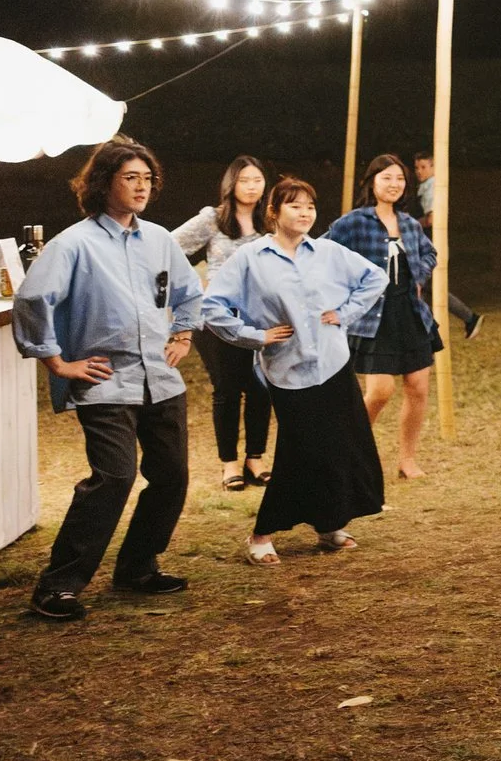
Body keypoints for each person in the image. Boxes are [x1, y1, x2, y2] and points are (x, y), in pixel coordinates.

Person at [12, 138, 202, 622]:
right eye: (130, 178)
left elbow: (189, 291)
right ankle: (57, 586)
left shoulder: (159, 240)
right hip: (105, 380)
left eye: (147, 179)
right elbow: (32, 299)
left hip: (160, 379)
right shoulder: (73, 244)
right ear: (103, 183)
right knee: (115, 476)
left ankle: (138, 567)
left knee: (172, 476)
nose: (142, 187)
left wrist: (183, 334)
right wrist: (57, 362)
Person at [203, 176, 387, 563]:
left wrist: (346, 313)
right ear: (273, 212)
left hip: (333, 364)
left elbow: (375, 277)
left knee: (339, 446)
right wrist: (254, 336)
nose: (305, 213)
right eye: (295, 205)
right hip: (287, 370)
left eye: (310, 206)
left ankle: (329, 524)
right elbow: (212, 305)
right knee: (298, 453)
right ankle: (261, 533)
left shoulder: (328, 252)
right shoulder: (251, 258)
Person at [325, 154, 440, 481]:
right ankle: (347, 450)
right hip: (373, 316)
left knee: (418, 387)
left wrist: (419, 276)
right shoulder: (353, 222)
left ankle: (407, 459)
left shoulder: (409, 223)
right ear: (372, 182)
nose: (394, 184)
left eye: (400, 178)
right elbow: (321, 254)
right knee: (380, 391)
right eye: (386, 177)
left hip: (411, 313)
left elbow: (430, 253)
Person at [171, 154, 275, 490]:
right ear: (231, 184)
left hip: (259, 318)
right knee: (227, 389)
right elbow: (169, 247)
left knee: (261, 387)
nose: (251, 187)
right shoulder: (213, 219)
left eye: (257, 180)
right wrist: (196, 282)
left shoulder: (270, 220)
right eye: (244, 180)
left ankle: (255, 458)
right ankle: (229, 463)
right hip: (217, 319)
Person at [410, 152, 481, 340]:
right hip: (427, 245)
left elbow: (432, 219)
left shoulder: (431, 187)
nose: (419, 171)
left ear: (434, 167)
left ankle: (427, 331)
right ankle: (468, 319)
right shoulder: (425, 187)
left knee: (421, 286)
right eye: (416, 168)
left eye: (423, 167)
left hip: (430, 246)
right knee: (430, 288)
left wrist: (408, 224)